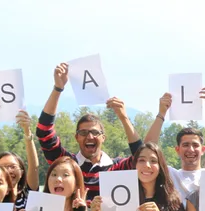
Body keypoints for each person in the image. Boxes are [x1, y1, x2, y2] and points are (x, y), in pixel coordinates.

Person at [37, 63, 142, 201]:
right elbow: (44, 132)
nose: (90, 136)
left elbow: (141, 155)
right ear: (76, 137)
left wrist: (124, 118)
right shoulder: (67, 163)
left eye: (95, 132)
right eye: (83, 133)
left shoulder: (116, 167)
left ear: (103, 137)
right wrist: (58, 88)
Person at [143, 86, 205, 199]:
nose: (191, 149)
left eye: (195, 145)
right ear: (177, 150)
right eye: (185, 145)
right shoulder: (171, 175)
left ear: (203, 150)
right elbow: (147, 149)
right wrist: (161, 113)